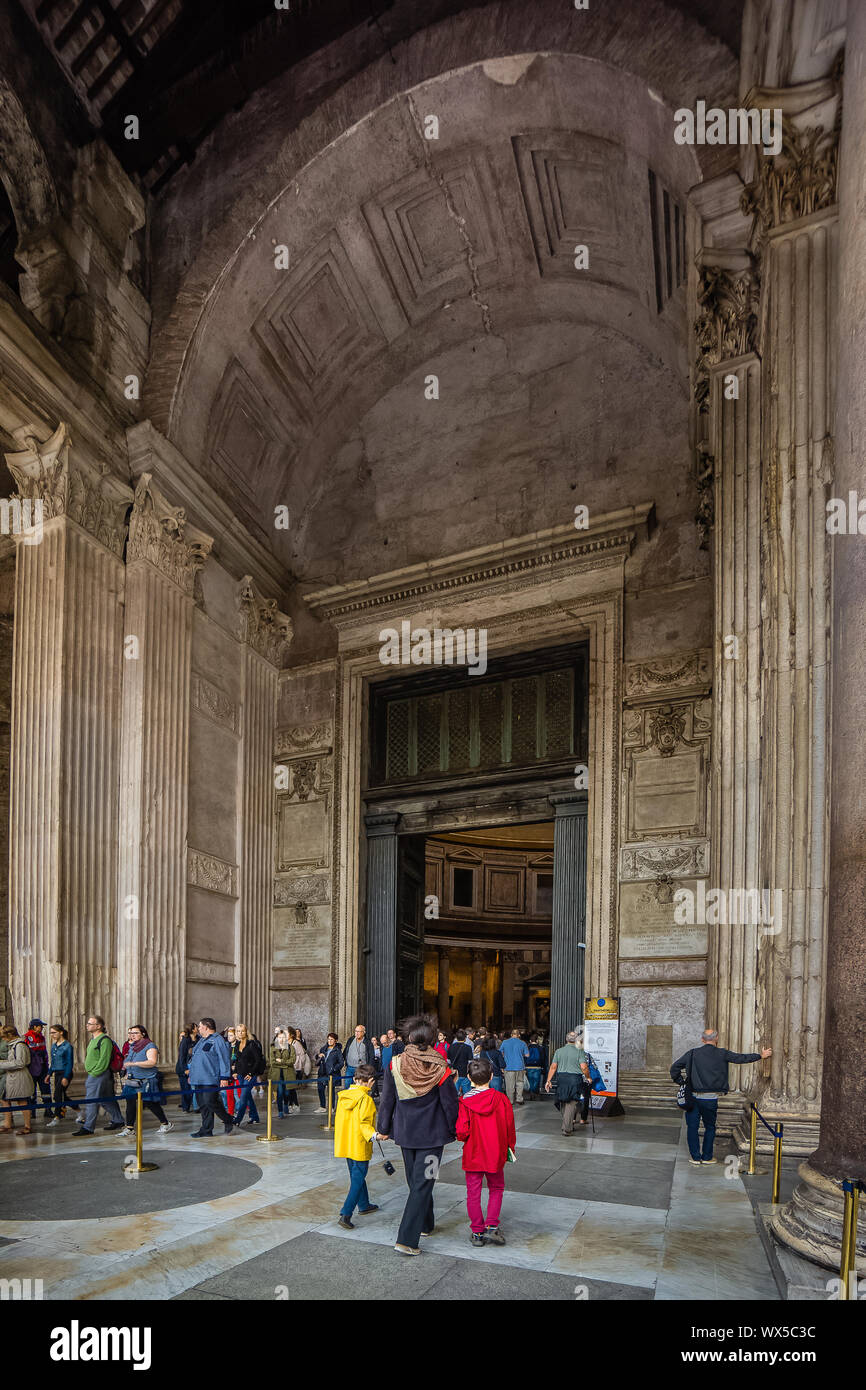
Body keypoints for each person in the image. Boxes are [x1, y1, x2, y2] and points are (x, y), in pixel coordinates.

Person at [375, 1013, 459, 1256]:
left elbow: (387, 1100)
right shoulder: (440, 1068)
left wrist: (383, 1128)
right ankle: (406, 1239)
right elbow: (450, 1104)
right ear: (432, 1039)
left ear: (409, 1038)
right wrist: (455, 1129)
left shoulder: (396, 1064)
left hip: (405, 1134)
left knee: (416, 1180)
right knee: (424, 1182)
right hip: (433, 1138)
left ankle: (426, 1223)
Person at [671, 1029, 772, 1165]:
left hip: (693, 1099)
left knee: (692, 1128)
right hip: (711, 1099)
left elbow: (674, 1068)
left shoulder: (692, 1053)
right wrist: (761, 1055)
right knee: (710, 1127)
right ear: (716, 1038)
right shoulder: (722, 1053)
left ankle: (695, 1157)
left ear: (702, 1039)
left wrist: (682, 1082)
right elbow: (741, 1058)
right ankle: (707, 1157)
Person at [456, 1056, 517, 1247]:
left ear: (469, 1078)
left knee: (473, 1192)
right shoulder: (501, 1099)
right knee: (496, 1188)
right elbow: (509, 1127)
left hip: (473, 1152)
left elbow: (462, 1131)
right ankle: (492, 1226)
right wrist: (509, 1148)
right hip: (495, 1152)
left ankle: (477, 1231)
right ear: (491, 1076)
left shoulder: (464, 1102)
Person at [334, 1061, 380, 1229]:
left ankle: (364, 1204)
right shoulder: (366, 1100)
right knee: (357, 1178)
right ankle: (346, 1213)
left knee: (356, 1176)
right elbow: (364, 1125)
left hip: (346, 1143)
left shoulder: (344, 1096)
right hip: (359, 1144)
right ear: (371, 1081)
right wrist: (376, 1135)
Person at [73, 1015, 124, 1136]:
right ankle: (118, 1120)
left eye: (90, 1023)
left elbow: (104, 1060)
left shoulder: (104, 1040)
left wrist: (95, 1073)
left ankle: (88, 1127)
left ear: (99, 1026)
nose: (87, 1025)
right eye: (88, 1023)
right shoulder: (93, 1039)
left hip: (99, 1075)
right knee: (107, 1100)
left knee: (91, 1101)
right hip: (97, 1074)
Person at [117, 1025, 173, 1136]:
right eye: (131, 1033)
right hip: (132, 1080)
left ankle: (165, 1123)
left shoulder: (150, 1045)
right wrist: (127, 1070)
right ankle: (129, 1128)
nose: (132, 1035)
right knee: (130, 1103)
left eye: (135, 1033)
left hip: (146, 1080)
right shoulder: (133, 1047)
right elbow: (128, 1060)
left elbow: (152, 1062)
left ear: (143, 1034)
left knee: (150, 1103)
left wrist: (134, 1064)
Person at [188, 1018, 234, 1137]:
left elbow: (224, 1059)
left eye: (200, 1026)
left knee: (210, 1101)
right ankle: (206, 1130)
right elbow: (195, 1058)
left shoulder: (218, 1040)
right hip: (198, 1078)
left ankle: (228, 1119)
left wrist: (224, 1077)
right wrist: (192, 1075)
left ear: (206, 1027)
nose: (198, 1028)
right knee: (203, 1104)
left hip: (210, 1077)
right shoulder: (201, 1040)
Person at [545, 1031, 589, 1135]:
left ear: (566, 1039)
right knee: (571, 1102)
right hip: (574, 1079)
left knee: (564, 1101)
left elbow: (553, 1067)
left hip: (562, 1078)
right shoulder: (580, 1051)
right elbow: (584, 1067)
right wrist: (588, 1077)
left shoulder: (559, 1051)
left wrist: (548, 1080)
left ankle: (567, 1122)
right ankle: (567, 1128)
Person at [0, 1025, 35, 1133]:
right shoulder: (13, 1045)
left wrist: (1, 1064)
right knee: (15, 1100)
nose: (4, 1039)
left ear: (10, 1035)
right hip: (14, 1076)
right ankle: (15, 1124)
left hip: (20, 1076)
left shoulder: (19, 1045)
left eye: (4, 1037)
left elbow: (20, 1062)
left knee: (22, 1101)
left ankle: (27, 1127)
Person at [232, 1024, 263, 1126]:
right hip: (240, 1075)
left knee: (243, 1097)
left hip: (250, 1075)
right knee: (248, 1097)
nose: (240, 1033)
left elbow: (258, 1060)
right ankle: (255, 1117)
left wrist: (251, 1073)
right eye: (238, 1031)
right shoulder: (237, 1044)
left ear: (246, 1032)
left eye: (242, 1031)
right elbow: (237, 1060)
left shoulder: (251, 1044)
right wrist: (235, 1072)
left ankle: (237, 1120)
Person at [46, 1024, 77, 1125]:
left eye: (54, 1032)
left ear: (61, 1032)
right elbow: (53, 1062)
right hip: (57, 1073)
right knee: (61, 1095)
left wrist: (66, 1076)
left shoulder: (67, 1046)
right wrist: (48, 1074)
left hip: (65, 1072)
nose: (52, 1035)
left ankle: (57, 1116)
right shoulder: (54, 1046)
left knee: (57, 1095)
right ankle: (79, 1110)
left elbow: (69, 1062)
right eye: (51, 1033)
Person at [24, 1018, 50, 1120]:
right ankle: (32, 1111)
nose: (42, 1028)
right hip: (32, 1068)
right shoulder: (28, 1037)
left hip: (43, 1067)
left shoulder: (41, 1037)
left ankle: (48, 1109)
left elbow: (44, 1052)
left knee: (46, 1089)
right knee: (31, 1091)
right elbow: (32, 1052)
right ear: (34, 1027)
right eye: (40, 1026)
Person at [315, 1033, 345, 1112]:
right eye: (328, 1039)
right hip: (322, 1072)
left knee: (331, 1091)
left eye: (331, 1039)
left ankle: (331, 1107)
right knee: (320, 1089)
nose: (330, 1041)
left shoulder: (337, 1050)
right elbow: (318, 1058)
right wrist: (318, 1056)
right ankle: (322, 1107)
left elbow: (341, 1063)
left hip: (332, 1074)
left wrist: (334, 1069)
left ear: (335, 1040)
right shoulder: (323, 1048)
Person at [269, 1031, 296, 1117]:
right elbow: (272, 1062)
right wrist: (285, 1064)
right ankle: (280, 1111)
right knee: (279, 1093)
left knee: (287, 1093)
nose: (281, 1039)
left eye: (283, 1037)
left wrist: (281, 1061)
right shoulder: (272, 1048)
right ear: (277, 1038)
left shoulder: (291, 1047)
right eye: (279, 1037)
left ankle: (286, 1105)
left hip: (288, 1074)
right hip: (277, 1074)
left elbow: (292, 1061)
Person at [500, 1028, 530, 1107]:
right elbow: (527, 1055)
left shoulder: (505, 1042)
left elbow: (500, 1053)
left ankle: (510, 1100)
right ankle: (519, 1099)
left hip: (508, 1066)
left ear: (511, 1035)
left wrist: (506, 1055)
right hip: (520, 1066)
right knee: (520, 1083)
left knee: (510, 1085)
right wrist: (520, 1054)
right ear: (519, 1035)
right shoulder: (522, 1043)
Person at [344, 1024, 374, 1089]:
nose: (356, 1033)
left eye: (359, 1031)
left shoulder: (368, 1042)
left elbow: (371, 1056)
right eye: (355, 1031)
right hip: (350, 1068)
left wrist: (369, 1069)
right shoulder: (350, 1040)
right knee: (347, 1086)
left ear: (363, 1032)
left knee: (360, 1087)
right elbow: (345, 1051)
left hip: (361, 1069)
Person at [447, 1029, 474, 1098]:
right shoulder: (468, 1048)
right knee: (467, 1094)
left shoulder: (451, 1047)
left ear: (456, 1038)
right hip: (465, 1073)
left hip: (454, 1073)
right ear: (465, 1038)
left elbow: (448, 1061)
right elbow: (470, 1061)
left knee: (454, 1094)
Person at [176, 1024, 197, 1112]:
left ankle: (195, 1106)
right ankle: (185, 1107)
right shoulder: (185, 1040)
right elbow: (182, 1056)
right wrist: (185, 1069)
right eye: (196, 1027)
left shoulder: (198, 1039)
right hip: (184, 1068)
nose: (198, 1028)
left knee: (194, 1088)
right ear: (192, 1029)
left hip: (194, 1067)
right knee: (185, 1088)